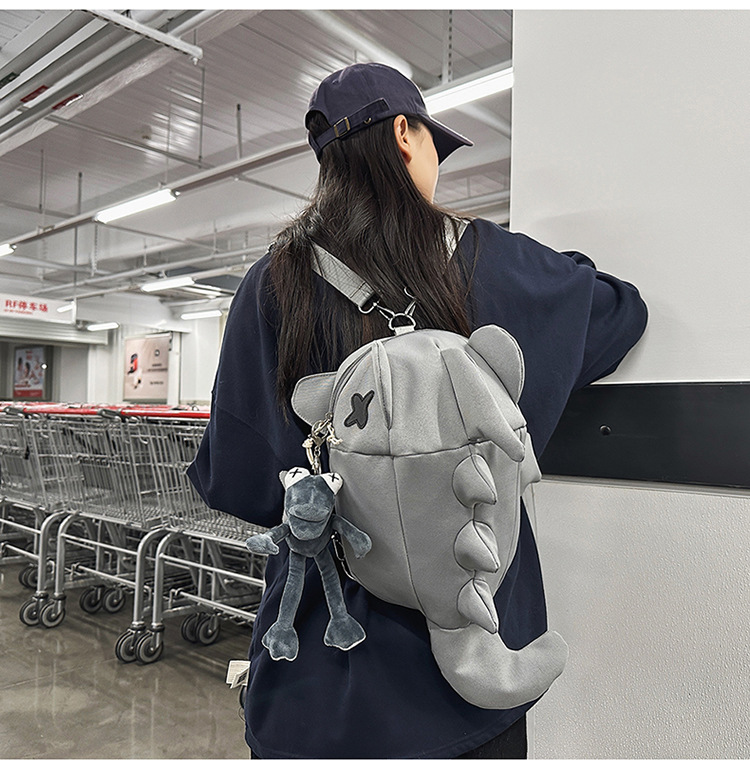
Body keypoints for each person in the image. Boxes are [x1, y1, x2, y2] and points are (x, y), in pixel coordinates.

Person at [187, 62, 648, 759]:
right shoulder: (494, 262)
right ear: (404, 133)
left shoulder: (272, 284)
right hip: (467, 685)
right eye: (435, 142)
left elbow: (240, 482)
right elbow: (621, 310)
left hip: (318, 673)